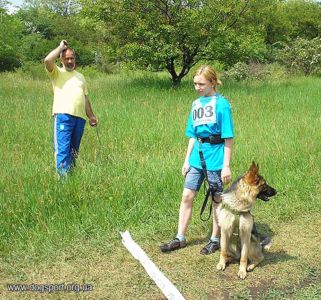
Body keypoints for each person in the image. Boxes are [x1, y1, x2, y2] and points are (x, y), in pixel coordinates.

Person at [160, 65, 234, 255]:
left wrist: (226, 165)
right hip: (196, 158)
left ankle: (215, 239)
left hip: (216, 158)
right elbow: (192, 135)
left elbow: (228, 137)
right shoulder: (195, 104)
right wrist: (186, 160)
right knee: (187, 196)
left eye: (201, 84)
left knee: (216, 199)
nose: (197, 87)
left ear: (212, 82)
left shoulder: (222, 105)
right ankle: (180, 237)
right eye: (195, 84)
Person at [44, 40, 98, 177]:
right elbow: (47, 60)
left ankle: (71, 179)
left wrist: (91, 116)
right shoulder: (56, 73)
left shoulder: (80, 77)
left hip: (79, 119)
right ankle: (63, 182)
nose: (69, 61)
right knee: (62, 150)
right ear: (61, 59)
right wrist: (61, 47)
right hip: (63, 117)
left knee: (74, 151)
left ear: (75, 59)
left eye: (72, 58)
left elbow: (85, 98)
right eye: (66, 58)